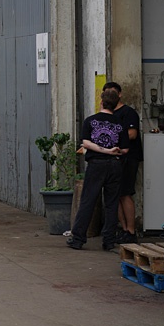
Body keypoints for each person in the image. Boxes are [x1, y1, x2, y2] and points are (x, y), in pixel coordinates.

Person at [66, 89, 128, 250]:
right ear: (116, 105)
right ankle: (109, 241)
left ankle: (78, 239)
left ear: (101, 102)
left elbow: (86, 143)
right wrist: (112, 151)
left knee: (88, 200)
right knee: (112, 203)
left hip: (96, 164)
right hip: (114, 165)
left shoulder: (90, 121)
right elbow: (125, 149)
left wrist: (103, 150)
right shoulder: (120, 124)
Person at [103, 81, 141, 243]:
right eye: (107, 93)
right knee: (115, 195)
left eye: (112, 93)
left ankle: (131, 231)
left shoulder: (128, 113)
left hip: (128, 158)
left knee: (125, 193)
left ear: (119, 94)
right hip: (112, 159)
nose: (110, 96)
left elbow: (132, 134)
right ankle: (124, 229)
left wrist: (112, 139)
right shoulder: (107, 114)